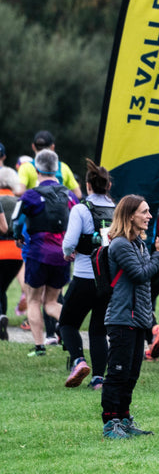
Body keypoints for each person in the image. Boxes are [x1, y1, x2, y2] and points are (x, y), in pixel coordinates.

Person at [101, 195, 159, 438]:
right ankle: (110, 424)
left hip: (138, 318)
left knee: (131, 373)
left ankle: (124, 419)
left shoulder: (139, 244)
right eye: (144, 212)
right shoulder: (120, 244)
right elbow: (139, 274)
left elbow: (151, 279)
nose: (149, 216)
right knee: (118, 372)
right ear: (130, 215)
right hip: (122, 318)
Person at [59, 160, 116, 388]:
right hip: (108, 279)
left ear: (88, 185)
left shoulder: (81, 209)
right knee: (99, 330)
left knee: (67, 323)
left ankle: (79, 360)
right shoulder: (117, 209)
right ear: (108, 185)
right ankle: (99, 379)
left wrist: (67, 253)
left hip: (84, 275)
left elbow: (69, 242)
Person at [14, 149, 76, 356]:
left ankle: (39, 346)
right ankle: (71, 332)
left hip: (37, 253)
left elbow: (17, 219)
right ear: (57, 168)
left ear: (36, 168)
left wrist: (18, 237)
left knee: (33, 300)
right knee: (52, 302)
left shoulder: (30, 195)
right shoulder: (69, 195)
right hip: (62, 254)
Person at [16, 130, 82, 198]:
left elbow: (20, 191)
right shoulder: (63, 167)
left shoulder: (25, 167)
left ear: (33, 146)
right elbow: (78, 194)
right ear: (52, 147)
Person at [0, 165, 23, 341]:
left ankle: (1, 317)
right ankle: (2, 321)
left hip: (1, 250)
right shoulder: (17, 202)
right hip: (17, 254)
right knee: (2, 289)